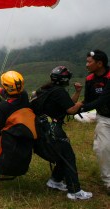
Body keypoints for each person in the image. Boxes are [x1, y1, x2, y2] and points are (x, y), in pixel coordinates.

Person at [35, 66, 92, 200]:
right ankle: (75, 191)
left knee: (62, 155)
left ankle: (55, 181)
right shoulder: (59, 91)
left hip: (42, 127)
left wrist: (77, 92)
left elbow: (66, 105)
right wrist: (83, 102)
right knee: (68, 157)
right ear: (65, 80)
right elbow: (71, 110)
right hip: (52, 129)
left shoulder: (45, 89)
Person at [0, 71, 36, 179]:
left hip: (8, 138)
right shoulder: (24, 96)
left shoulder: (2, 107)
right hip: (22, 137)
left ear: (6, 88)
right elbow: (9, 93)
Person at [81, 50, 110, 194]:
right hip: (104, 118)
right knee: (102, 148)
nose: (86, 65)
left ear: (100, 63)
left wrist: (80, 108)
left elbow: (103, 98)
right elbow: (88, 100)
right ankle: (108, 182)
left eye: (89, 62)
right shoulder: (89, 79)